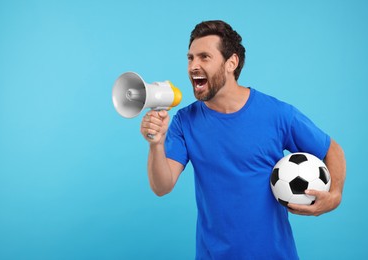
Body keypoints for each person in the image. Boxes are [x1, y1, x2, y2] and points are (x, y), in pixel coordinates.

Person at [140, 20, 346, 259]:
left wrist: (334, 196)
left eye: (204, 57)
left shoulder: (277, 114)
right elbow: (162, 186)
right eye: (190, 58)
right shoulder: (185, 121)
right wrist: (155, 143)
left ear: (231, 63)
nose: (193, 66)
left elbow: (333, 150)